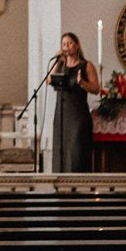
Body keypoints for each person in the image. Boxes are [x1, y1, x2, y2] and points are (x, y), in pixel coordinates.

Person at [50, 30, 98, 172]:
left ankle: (79, 186)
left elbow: (96, 88)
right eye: (64, 44)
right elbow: (49, 79)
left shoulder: (86, 65)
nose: (67, 46)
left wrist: (82, 83)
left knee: (76, 152)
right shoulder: (60, 65)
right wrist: (58, 59)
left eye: (70, 43)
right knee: (62, 152)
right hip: (62, 116)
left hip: (78, 115)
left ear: (77, 46)